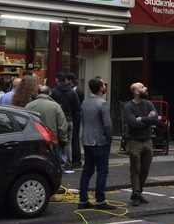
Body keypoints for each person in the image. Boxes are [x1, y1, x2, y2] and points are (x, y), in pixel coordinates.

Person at [78, 77, 115, 210]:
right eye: (103, 85)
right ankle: (100, 200)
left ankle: (83, 200)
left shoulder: (85, 102)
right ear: (100, 88)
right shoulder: (103, 103)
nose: (105, 87)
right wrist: (109, 138)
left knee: (87, 170)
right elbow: (107, 124)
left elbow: (83, 121)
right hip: (100, 141)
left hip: (87, 140)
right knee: (102, 171)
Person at [122, 82, 161, 206]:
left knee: (145, 168)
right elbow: (133, 124)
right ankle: (137, 194)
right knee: (135, 169)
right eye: (143, 87)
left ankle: (137, 192)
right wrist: (147, 118)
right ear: (137, 92)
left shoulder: (149, 104)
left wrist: (141, 119)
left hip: (147, 140)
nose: (146, 88)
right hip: (134, 141)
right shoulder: (129, 107)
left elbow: (156, 119)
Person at [51, 72, 82, 167]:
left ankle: (57, 161)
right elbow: (77, 107)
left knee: (56, 141)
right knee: (69, 142)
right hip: (69, 119)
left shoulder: (53, 92)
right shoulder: (72, 92)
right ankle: (68, 162)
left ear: (57, 81)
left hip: (57, 119)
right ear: (66, 80)